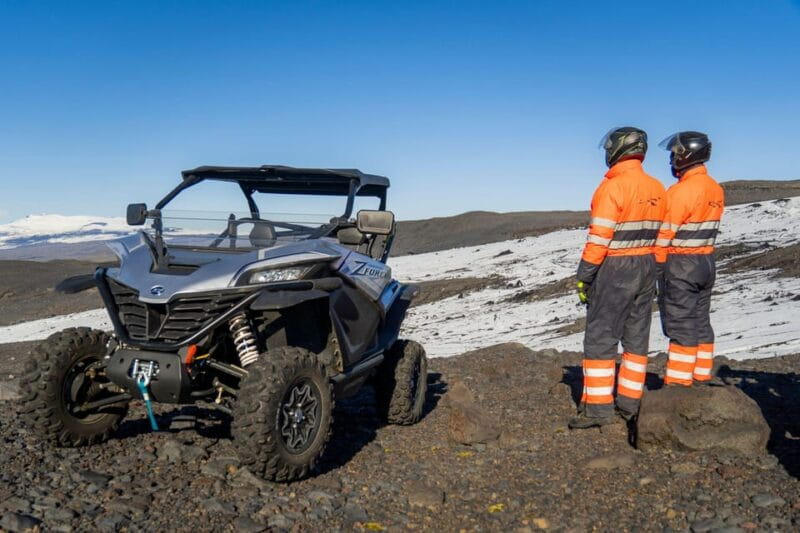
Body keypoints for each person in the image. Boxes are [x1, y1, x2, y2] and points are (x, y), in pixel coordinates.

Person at [570, 127, 666, 429]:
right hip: (647, 266)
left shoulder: (612, 188)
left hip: (615, 269)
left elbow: (599, 238)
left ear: (618, 150)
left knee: (600, 338)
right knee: (637, 339)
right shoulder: (657, 187)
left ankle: (598, 411)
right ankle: (630, 403)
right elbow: (663, 236)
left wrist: (584, 276)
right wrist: (656, 269)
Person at [655, 131, 724, 386]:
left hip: (681, 263)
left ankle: (677, 383)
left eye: (675, 153)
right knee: (701, 320)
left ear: (687, 155)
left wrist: (658, 266)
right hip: (706, 261)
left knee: (681, 322)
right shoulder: (715, 188)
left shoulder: (680, 191)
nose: (672, 158)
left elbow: (665, 232)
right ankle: (701, 374)